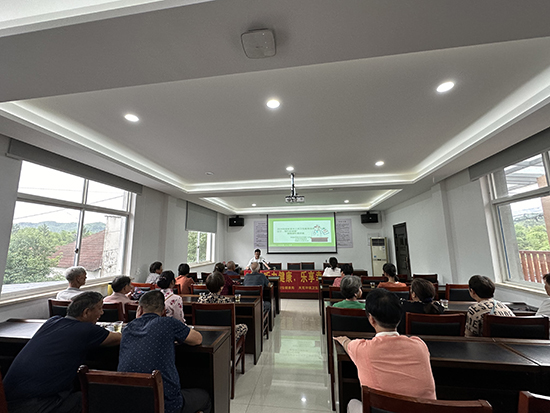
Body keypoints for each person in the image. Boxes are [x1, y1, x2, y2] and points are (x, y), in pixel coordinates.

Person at [4, 292, 121, 413]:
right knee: (101, 398)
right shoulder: (87, 330)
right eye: (100, 308)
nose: (102, 313)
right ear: (86, 312)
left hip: (7, 400)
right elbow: (120, 338)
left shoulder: (52, 321)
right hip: (38, 404)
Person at [334, 289, 436, 413]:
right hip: (425, 409)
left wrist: (343, 339)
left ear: (371, 319)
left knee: (352, 403)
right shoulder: (419, 345)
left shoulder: (362, 348)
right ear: (399, 317)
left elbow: (347, 344)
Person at [118, 290, 211, 413]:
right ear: (163, 311)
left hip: (128, 402)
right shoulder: (168, 323)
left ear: (139, 309)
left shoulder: (128, 328)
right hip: (166, 404)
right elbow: (197, 339)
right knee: (205, 397)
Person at [198, 272, 248, 340]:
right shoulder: (227, 301)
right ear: (221, 287)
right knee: (244, 327)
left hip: (206, 333)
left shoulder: (201, 300)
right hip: (224, 335)